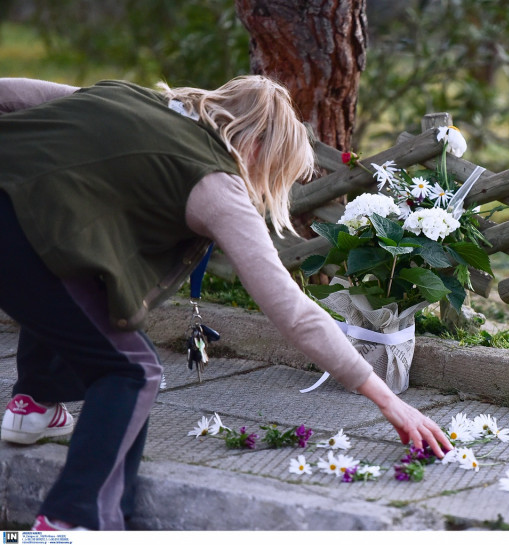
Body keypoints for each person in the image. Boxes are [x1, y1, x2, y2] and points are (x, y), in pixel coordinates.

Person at [0, 76, 452, 531]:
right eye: (273, 171)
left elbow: (10, 93)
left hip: (32, 229)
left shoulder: (127, 97)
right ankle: (67, 523)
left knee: (85, 294)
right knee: (132, 372)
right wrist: (387, 400)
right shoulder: (215, 183)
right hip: (26, 243)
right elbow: (291, 309)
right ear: (255, 147)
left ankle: (35, 404)